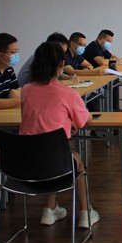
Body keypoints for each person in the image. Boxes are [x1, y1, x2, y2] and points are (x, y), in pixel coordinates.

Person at [20, 41, 99, 229]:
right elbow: (85, 120)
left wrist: (66, 121)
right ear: (61, 64)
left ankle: (49, 210)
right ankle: (85, 212)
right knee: (75, 160)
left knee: (49, 151)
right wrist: (72, 121)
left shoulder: (26, 90)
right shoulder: (67, 93)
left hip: (23, 162)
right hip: (56, 161)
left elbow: (39, 118)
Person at [83, 29, 120, 109]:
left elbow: (114, 57)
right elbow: (101, 62)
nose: (109, 44)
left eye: (110, 42)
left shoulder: (102, 48)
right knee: (112, 80)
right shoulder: (93, 47)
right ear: (100, 39)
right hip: (91, 75)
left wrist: (111, 60)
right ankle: (112, 108)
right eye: (108, 41)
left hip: (99, 73)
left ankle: (114, 107)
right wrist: (110, 60)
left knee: (115, 79)